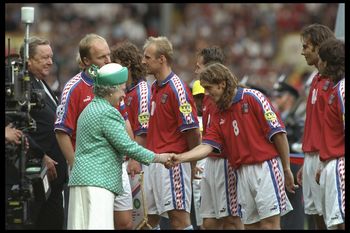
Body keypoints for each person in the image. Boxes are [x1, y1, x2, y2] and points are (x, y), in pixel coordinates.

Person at [171, 63, 298, 229]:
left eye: (208, 88)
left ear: (222, 84)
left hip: (265, 167)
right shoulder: (217, 111)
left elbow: (279, 134)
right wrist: (181, 157)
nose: (206, 94)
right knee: (250, 225)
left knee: (269, 225)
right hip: (241, 172)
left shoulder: (253, 97)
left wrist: (286, 168)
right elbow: (208, 145)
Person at [67, 63, 173, 229]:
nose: (124, 94)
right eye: (122, 89)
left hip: (82, 180)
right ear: (111, 89)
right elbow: (127, 147)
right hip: (98, 183)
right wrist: (159, 158)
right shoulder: (108, 112)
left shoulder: (90, 109)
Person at [54, 34, 134, 229]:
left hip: (116, 163)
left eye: (109, 55)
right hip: (90, 167)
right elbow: (61, 131)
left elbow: (125, 121)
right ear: (86, 61)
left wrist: (131, 155)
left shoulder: (111, 81)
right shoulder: (73, 88)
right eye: (102, 57)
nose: (108, 61)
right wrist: (75, 165)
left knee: (125, 222)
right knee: (93, 222)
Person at [141, 36, 201, 230]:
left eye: (148, 57)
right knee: (147, 220)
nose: (143, 61)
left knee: (178, 219)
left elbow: (192, 131)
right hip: (153, 161)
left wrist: (191, 163)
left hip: (172, 163)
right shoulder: (154, 88)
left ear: (162, 59)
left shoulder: (177, 89)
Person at [19, 36, 68, 229]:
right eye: (44, 58)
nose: (50, 62)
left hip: (54, 180)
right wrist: (41, 156)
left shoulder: (41, 83)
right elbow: (18, 127)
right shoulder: (22, 87)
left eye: (51, 57)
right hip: (36, 175)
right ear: (28, 61)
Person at [192, 47, 243, 230]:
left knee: (231, 218)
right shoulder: (207, 95)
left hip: (224, 161)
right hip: (210, 161)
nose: (196, 71)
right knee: (209, 222)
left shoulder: (226, 98)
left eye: (199, 67)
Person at [296, 24, 336, 230]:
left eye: (306, 46)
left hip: (327, 157)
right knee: (314, 216)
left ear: (320, 47)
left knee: (332, 217)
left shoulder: (335, 82)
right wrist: (307, 161)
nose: (302, 51)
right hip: (312, 157)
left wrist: (323, 159)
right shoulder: (316, 79)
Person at [110, 41, 151, 228]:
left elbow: (143, 127)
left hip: (136, 162)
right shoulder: (124, 90)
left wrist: (135, 159)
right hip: (125, 160)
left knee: (141, 219)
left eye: (116, 62)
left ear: (126, 64)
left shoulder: (141, 89)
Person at [316, 38, 345, 230]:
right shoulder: (336, 88)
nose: (317, 63)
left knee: (340, 222)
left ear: (326, 62)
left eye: (320, 59)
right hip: (330, 162)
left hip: (339, 163)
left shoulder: (342, 88)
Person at [271, 82, 306, 229]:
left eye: (280, 96)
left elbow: (301, 145)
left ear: (290, 98)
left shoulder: (297, 122)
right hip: (279, 167)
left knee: (294, 210)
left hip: (294, 166)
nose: (277, 99)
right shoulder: (278, 119)